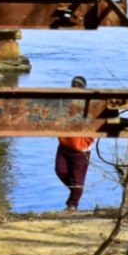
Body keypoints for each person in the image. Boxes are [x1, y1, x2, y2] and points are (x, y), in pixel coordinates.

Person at [55, 75, 95, 211]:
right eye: (74, 85)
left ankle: (72, 205)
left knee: (78, 179)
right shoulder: (66, 102)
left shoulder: (90, 104)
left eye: (79, 86)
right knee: (60, 171)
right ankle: (76, 192)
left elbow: (95, 124)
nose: (76, 88)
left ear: (84, 88)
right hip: (65, 144)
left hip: (81, 149)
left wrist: (87, 141)